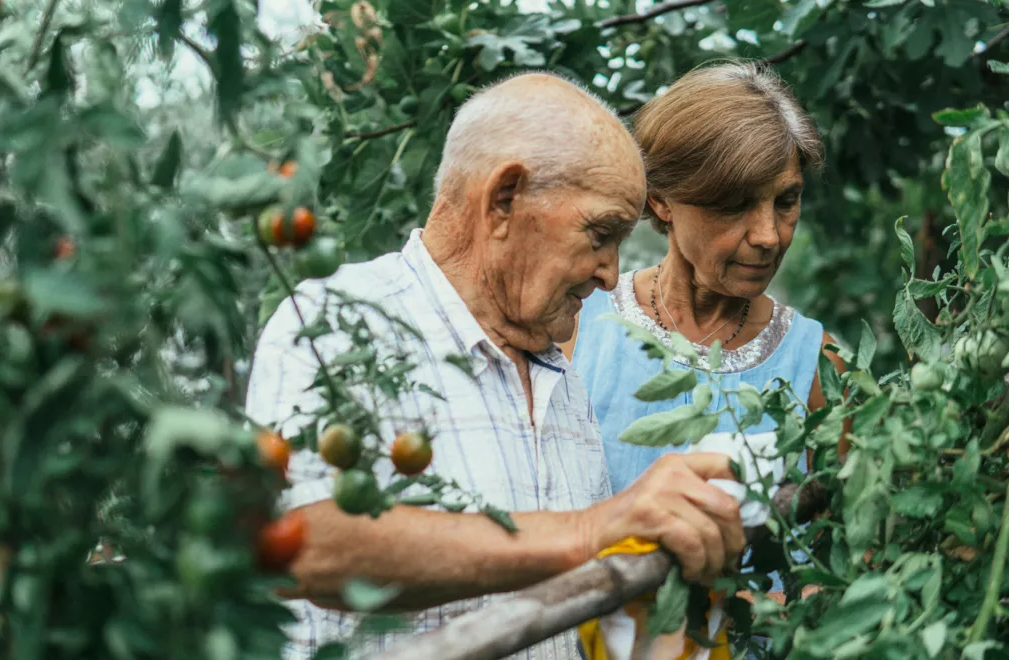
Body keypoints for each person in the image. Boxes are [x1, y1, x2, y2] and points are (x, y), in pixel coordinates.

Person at [245, 72, 747, 659]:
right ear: (505, 199)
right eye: (601, 232)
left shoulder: (559, 374)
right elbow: (303, 545)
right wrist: (592, 529)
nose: (612, 273)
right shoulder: (338, 321)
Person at [561, 61, 848, 658]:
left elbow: (848, 548)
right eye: (735, 206)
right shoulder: (579, 328)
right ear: (662, 201)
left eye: (786, 200)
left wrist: (779, 609)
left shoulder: (817, 363)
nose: (769, 234)